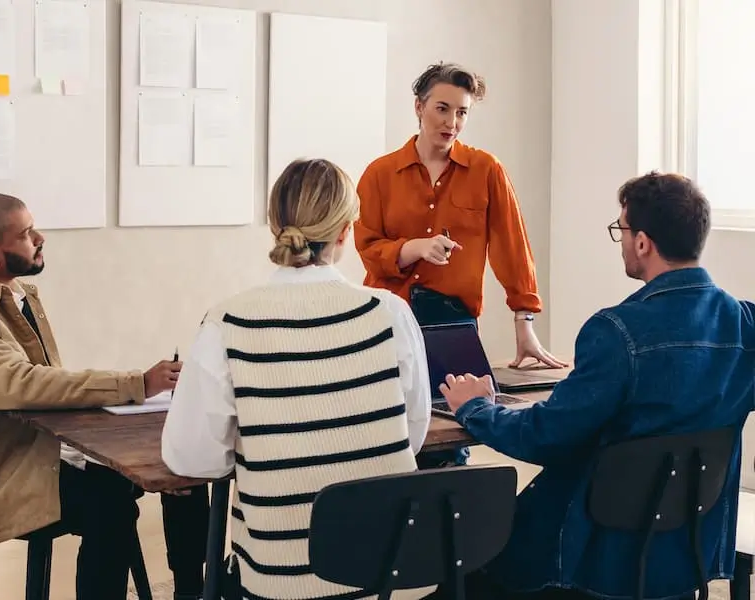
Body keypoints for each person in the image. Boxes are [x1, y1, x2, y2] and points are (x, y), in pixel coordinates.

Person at [435, 172, 755, 599]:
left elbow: (545, 437)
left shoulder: (616, 331)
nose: (621, 241)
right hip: (685, 557)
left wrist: (475, 408)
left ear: (643, 242)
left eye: (621, 229)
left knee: (464, 575)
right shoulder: (745, 325)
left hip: (590, 561)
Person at [0, 192, 207, 600]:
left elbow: (40, 386)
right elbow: (24, 385)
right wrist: (136, 383)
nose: (41, 238)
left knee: (180, 465)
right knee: (110, 503)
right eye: (27, 234)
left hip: (36, 451)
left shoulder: (13, 295)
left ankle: (193, 590)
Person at [160, 159, 431, 600]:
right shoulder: (391, 314)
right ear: (346, 231)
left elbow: (191, 459)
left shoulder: (228, 322)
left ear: (274, 225)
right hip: (387, 574)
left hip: (281, 579)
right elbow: (410, 436)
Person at [353, 61, 566, 467]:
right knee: (388, 435)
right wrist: (413, 247)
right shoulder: (379, 175)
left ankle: (446, 523)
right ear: (419, 107)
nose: (452, 121)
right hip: (388, 321)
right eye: (442, 108)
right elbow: (367, 246)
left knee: (452, 435)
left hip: (453, 325)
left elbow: (512, 246)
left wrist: (525, 324)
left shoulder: (487, 170)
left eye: (462, 112)